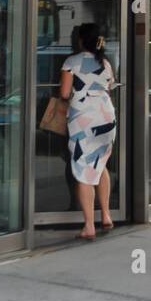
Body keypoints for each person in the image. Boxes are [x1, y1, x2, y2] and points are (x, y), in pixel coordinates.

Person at [60, 22, 117, 241]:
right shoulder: (105, 63)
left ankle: (89, 226)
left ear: (81, 40)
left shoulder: (71, 62)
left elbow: (65, 93)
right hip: (106, 117)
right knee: (100, 165)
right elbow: (108, 88)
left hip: (83, 121)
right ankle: (106, 215)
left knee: (84, 171)